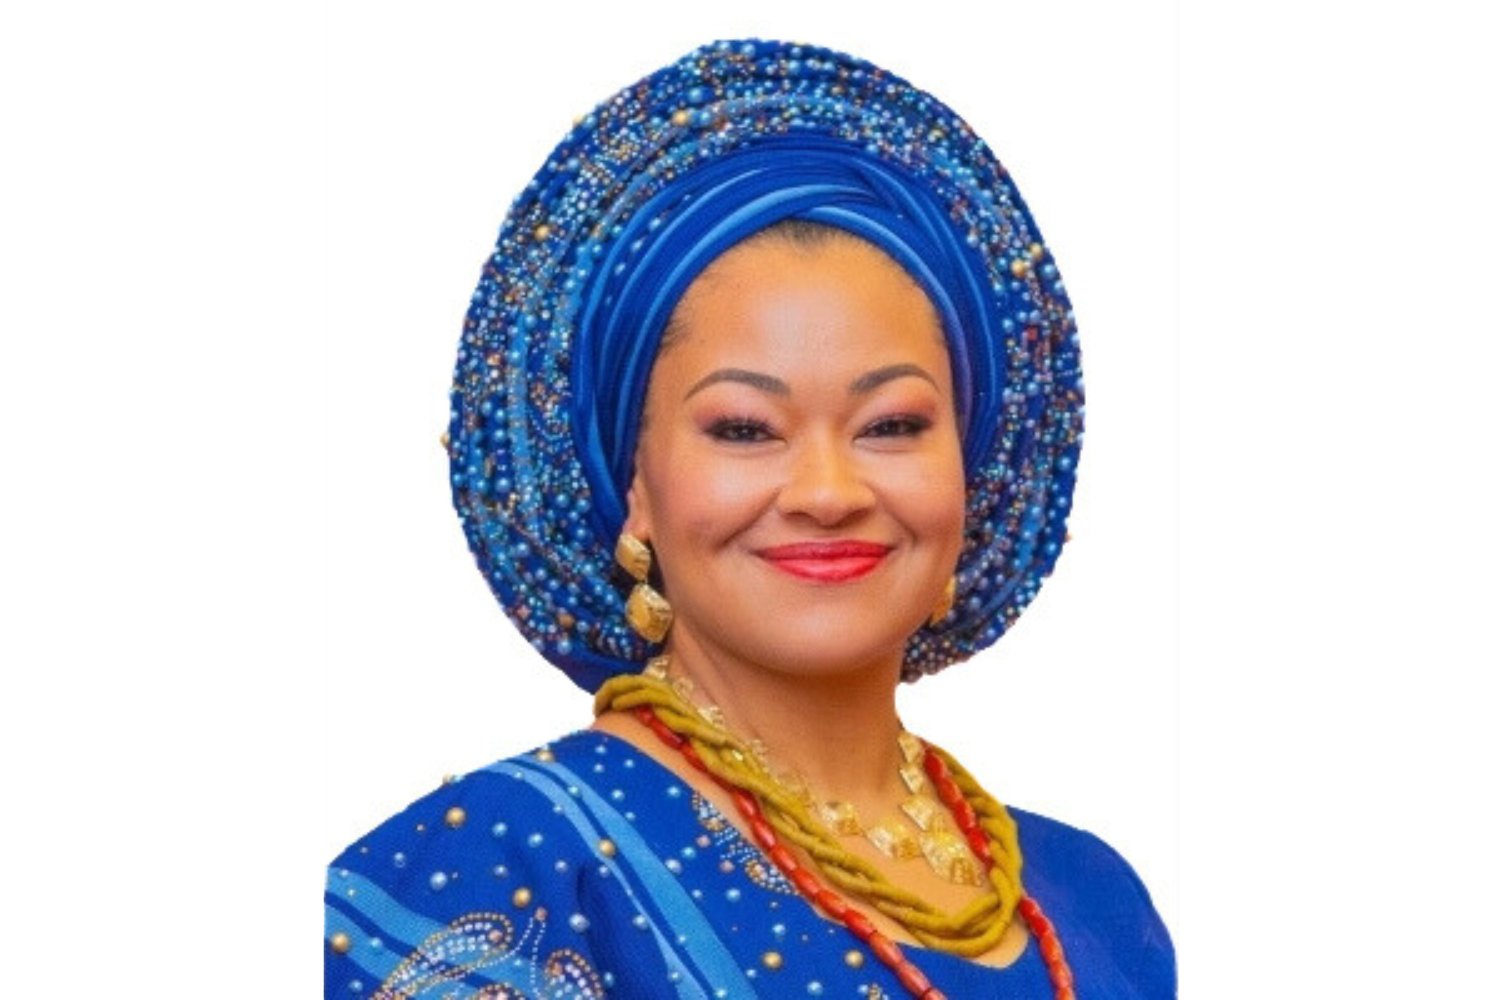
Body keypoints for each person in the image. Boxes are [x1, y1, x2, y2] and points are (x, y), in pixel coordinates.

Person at [325, 39, 1174, 999]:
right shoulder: (512, 876)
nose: (827, 489)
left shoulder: (1092, 899)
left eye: (892, 424)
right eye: (744, 428)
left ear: (967, 475)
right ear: (631, 483)